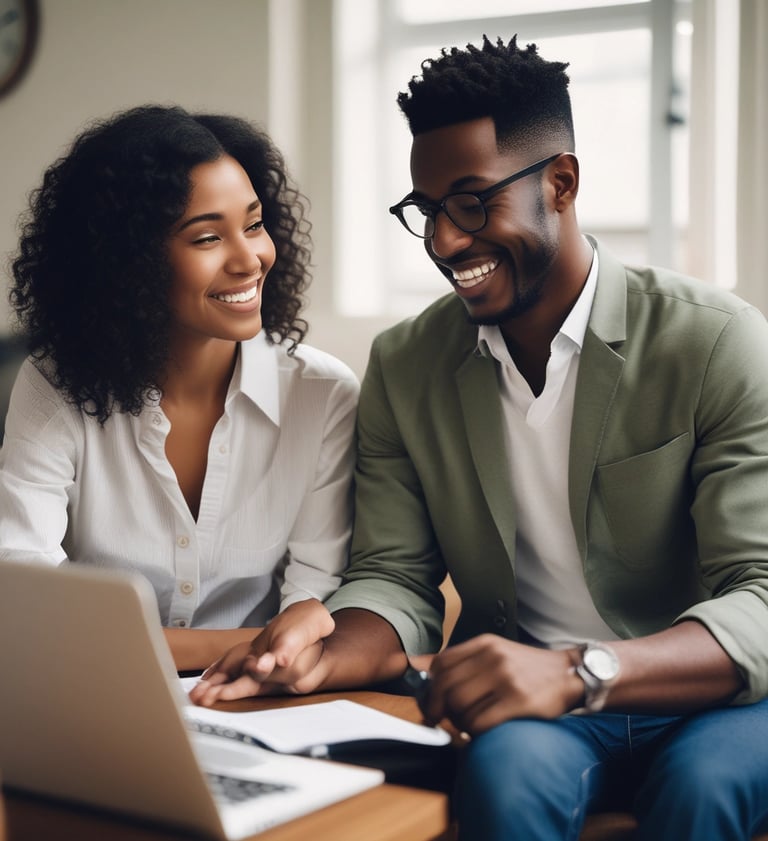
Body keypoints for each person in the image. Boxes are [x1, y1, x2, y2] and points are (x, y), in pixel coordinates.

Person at [190, 36, 768, 840]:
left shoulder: (715, 343)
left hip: (712, 696)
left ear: (560, 183)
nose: (445, 241)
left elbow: (762, 592)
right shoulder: (405, 363)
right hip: (534, 711)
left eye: (472, 202)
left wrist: (580, 669)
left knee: (704, 788)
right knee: (502, 780)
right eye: (426, 210)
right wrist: (323, 646)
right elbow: (394, 575)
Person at [0, 105, 356, 673]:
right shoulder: (53, 388)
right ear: (128, 263)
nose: (249, 259)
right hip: (98, 693)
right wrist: (240, 648)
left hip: (262, 701)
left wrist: (279, 646)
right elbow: (25, 594)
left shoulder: (323, 395)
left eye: (255, 224)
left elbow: (314, 596)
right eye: (208, 237)